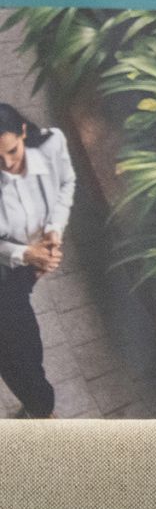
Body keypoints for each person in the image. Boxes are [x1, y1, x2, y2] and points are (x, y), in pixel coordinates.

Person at [0, 102, 75, 420]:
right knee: (18, 351)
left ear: (23, 132)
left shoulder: (52, 143)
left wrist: (54, 231)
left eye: (12, 152)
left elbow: (66, 184)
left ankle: (37, 407)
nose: (7, 164)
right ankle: (42, 411)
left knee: (18, 347)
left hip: (24, 266)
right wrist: (25, 253)